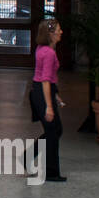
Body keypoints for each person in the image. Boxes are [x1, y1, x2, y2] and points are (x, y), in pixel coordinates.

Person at [29, 18, 66, 182]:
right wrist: (49, 107)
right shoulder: (49, 53)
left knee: (55, 130)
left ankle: (28, 157)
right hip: (42, 93)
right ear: (50, 34)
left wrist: (56, 96)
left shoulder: (43, 48)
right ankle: (51, 172)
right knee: (53, 131)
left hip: (41, 92)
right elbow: (45, 80)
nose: (61, 32)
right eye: (58, 30)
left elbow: (48, 77)